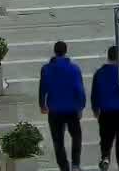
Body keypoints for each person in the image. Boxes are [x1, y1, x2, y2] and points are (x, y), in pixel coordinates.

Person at [38, 41, 87, 171]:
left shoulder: (46, 69)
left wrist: (42, 105)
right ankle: (75, 164)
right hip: (71, 109)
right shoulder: (74, 69)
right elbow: (79, 89)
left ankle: (64, 167)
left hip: (54, 110)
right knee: (76, 136)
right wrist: (81, 106)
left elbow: (43, 89)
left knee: (58, 141)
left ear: (55, 51)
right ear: (66, 51)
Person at [90, 45, 119, 171]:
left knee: (106, 138)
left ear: (108, 56)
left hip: (105, 112)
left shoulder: (99, 73)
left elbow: (94, 94)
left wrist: (95, 110)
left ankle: (105, 157)